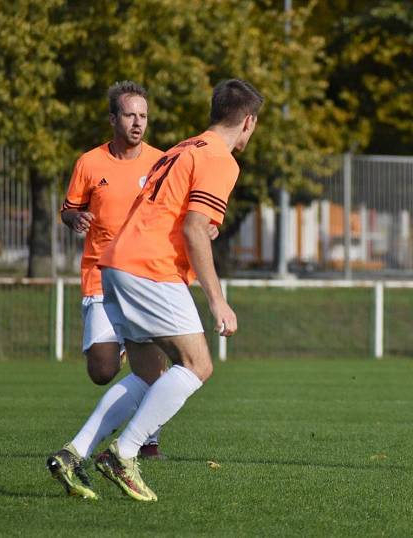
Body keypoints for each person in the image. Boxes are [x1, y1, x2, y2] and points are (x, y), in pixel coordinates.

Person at [47, 78, 263, 502]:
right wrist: (218, 302)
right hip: (151, 269)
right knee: (198, 365)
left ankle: (74, 454)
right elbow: (194, 227)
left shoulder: (183, 148)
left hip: (114, 265)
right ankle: (124, 454)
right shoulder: (221, 159)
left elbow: (173, 214)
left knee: (149, 374)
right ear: (248, 122)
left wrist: (200, 229)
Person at [60, 80, 167, 460]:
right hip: (100, 274)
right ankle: (118, 348)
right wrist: (75, 219)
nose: (138, 123)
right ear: (112, 119)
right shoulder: (89, 163)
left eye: (143, 116)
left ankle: (147, 441)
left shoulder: (161, 162)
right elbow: (68, 208)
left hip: (144, 275)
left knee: (153, 364)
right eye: (129, 115)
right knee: (102, 371)